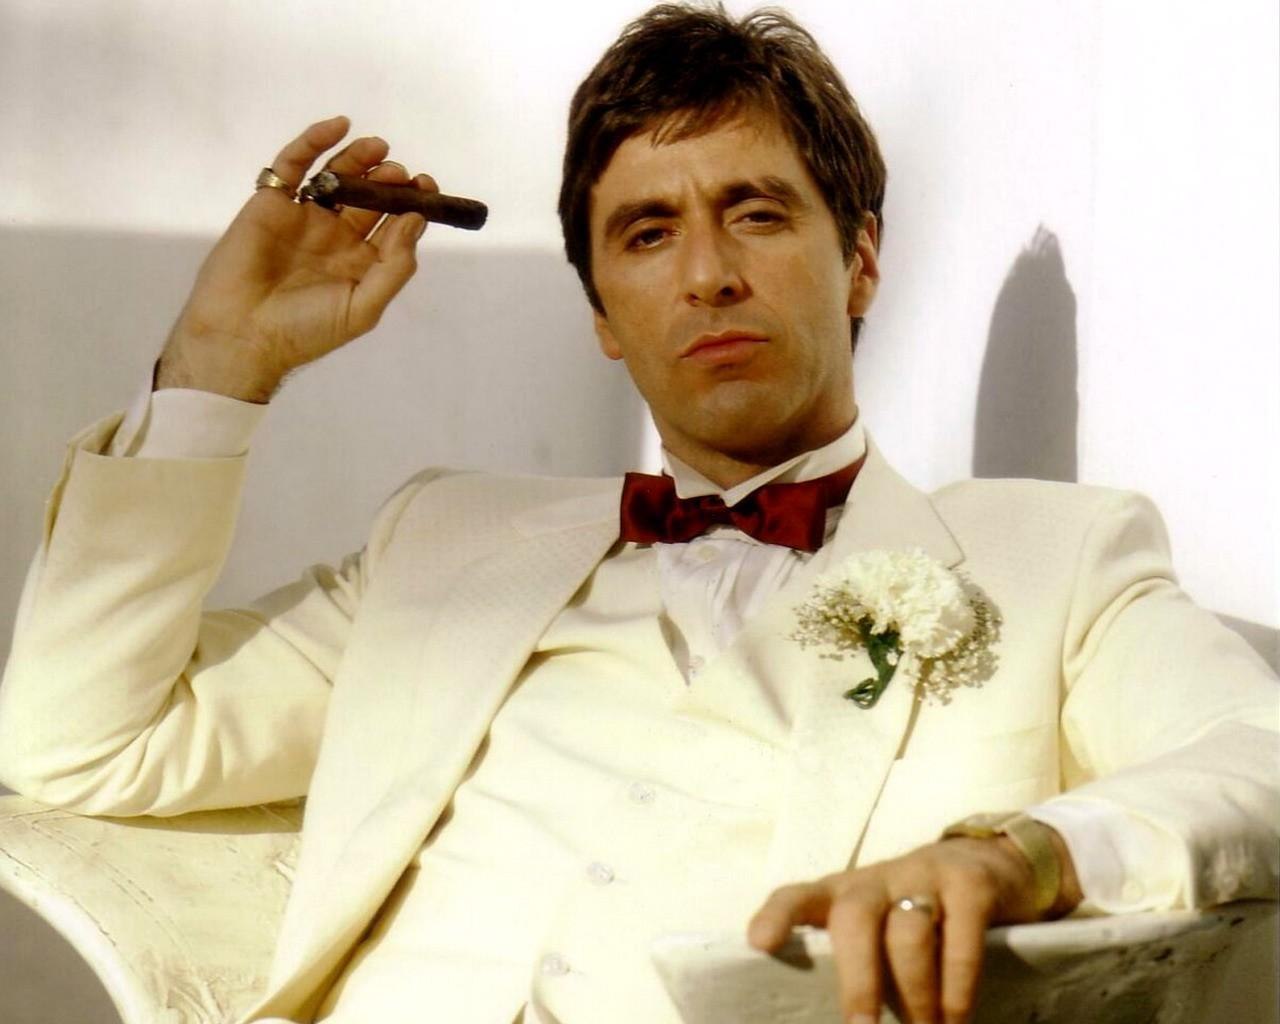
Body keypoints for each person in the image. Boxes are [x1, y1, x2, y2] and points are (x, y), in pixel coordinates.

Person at [0, 4, 1276, 1024]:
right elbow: (77, 743)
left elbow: (1257, 752)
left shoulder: (1052, 559)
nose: (708, 275)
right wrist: (220, 364)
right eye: (648, 234)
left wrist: (1020, 857)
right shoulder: (442, 542)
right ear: (603, 316)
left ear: (860, 259)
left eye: (756, 214)